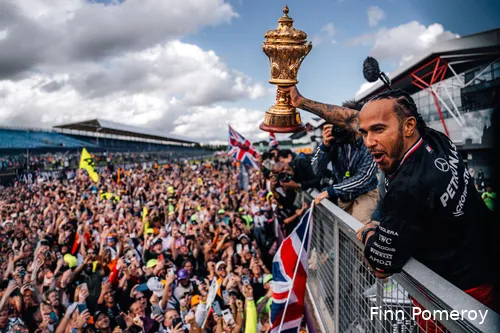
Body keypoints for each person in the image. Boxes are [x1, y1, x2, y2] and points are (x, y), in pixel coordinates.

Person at [282, 86, 498, 314]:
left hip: (459, 298)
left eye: (378, 130)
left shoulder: (407, 189)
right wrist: (301, 101)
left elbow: (380, 265)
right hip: (486, 257)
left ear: (408, 126)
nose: (368, 141)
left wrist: (367, 232)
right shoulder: (433, 137)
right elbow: (350, 119)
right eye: (364, 132)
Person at [311, 100, 379, 224]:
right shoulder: (336, 141)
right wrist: (324, 147)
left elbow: (364, 177)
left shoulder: (369, 141)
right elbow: (314, 170)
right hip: (343, 196)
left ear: (357, 123)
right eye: (338, 121)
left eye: (345, 122)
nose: (340, 127)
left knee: (358, 225)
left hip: (365, 193)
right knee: (344, 231)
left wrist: (331, 191)